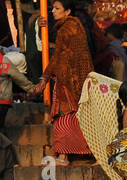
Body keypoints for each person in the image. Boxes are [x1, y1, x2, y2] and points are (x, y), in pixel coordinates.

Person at [30, 0, 92, 164]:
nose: (53, 12)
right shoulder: (76, 26)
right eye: (53, 8)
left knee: (63, 117)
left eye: (57, 9)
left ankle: (63, 156)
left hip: (67, 80)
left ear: (68, 11)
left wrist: (44, 77)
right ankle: (87, 151)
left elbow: (59, 57)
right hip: (75, 79)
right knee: (75, 116)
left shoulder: (66, 29)